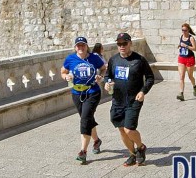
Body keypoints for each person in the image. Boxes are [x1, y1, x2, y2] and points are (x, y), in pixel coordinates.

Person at [106, 32, 155, 166]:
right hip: (117, 100)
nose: (121, 46)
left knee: (129, 129)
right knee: (121, 129)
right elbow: (108, 76)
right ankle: (132, 154)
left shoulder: (139, 60)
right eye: (119, 44)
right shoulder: (114, 60)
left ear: (130, 44)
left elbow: (150, 77)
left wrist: (143, 91)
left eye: (124, 43)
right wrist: (107, 82)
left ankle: (141, 147)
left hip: (134, 100)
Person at [61, 36, 106, 164]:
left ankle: (83, 151)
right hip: (76, 93)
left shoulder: (93, 58)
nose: (81, 48)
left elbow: (103, 68)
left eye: (83, 45)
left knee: (85, 119)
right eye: (78, 45)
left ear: (87, 46)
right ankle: (96, 141)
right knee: (87, 118)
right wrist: (66, 77)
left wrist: (100, 76)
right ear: (75, 47)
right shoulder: (70, 59)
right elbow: (62, 71)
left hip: (92, 91)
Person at [176, 23, 196, 101]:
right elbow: (181, 44)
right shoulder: (181, 36)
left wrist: (185, 46)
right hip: (181, 58)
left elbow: (195, 48)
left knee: (190, 76)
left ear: (188, 30)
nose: (183, 32)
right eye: (182, 30)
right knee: (181, 76)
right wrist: (179, 45)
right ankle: (181, 93)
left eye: (185, 30)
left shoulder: (191, 38)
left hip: (190, 58)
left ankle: (194, 86)